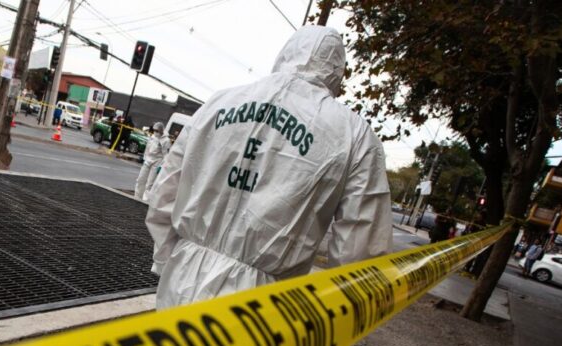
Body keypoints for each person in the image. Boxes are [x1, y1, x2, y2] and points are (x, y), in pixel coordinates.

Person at [145, 26, 393, 308]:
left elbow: (164, 195)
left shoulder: (218, 103)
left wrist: (168, 262)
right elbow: (360, 252)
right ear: (337, 71)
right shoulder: (354, 135)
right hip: (265, 306)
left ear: (286, 53)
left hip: (182, 280)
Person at [135, 122, 170, 201]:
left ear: (161, 130)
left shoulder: (166, 140)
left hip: (157, 162)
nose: (155, 132)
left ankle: (145, 200)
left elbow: (166, 155)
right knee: (140, 179)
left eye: (157, 131)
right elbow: (147, 148)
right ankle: (137, 197)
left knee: (149, 184)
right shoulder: (153, 137)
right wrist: (144, 158)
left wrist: (161, 166)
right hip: (148, 160)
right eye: (154, 130)